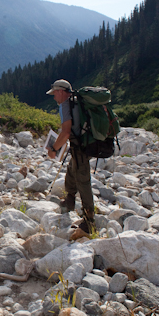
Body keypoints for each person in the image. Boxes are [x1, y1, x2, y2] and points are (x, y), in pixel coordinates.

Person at [45, 79, 95, 234]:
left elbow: (66, 132)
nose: (54, 97)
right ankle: (70, 201)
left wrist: (54, 148)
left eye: (54, 93)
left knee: (83, 180)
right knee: (72, 169)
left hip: (81, 147)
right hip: (82, 144)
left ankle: (89, 222)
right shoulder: (75, 102)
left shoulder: (66, 105)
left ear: (60, 91)